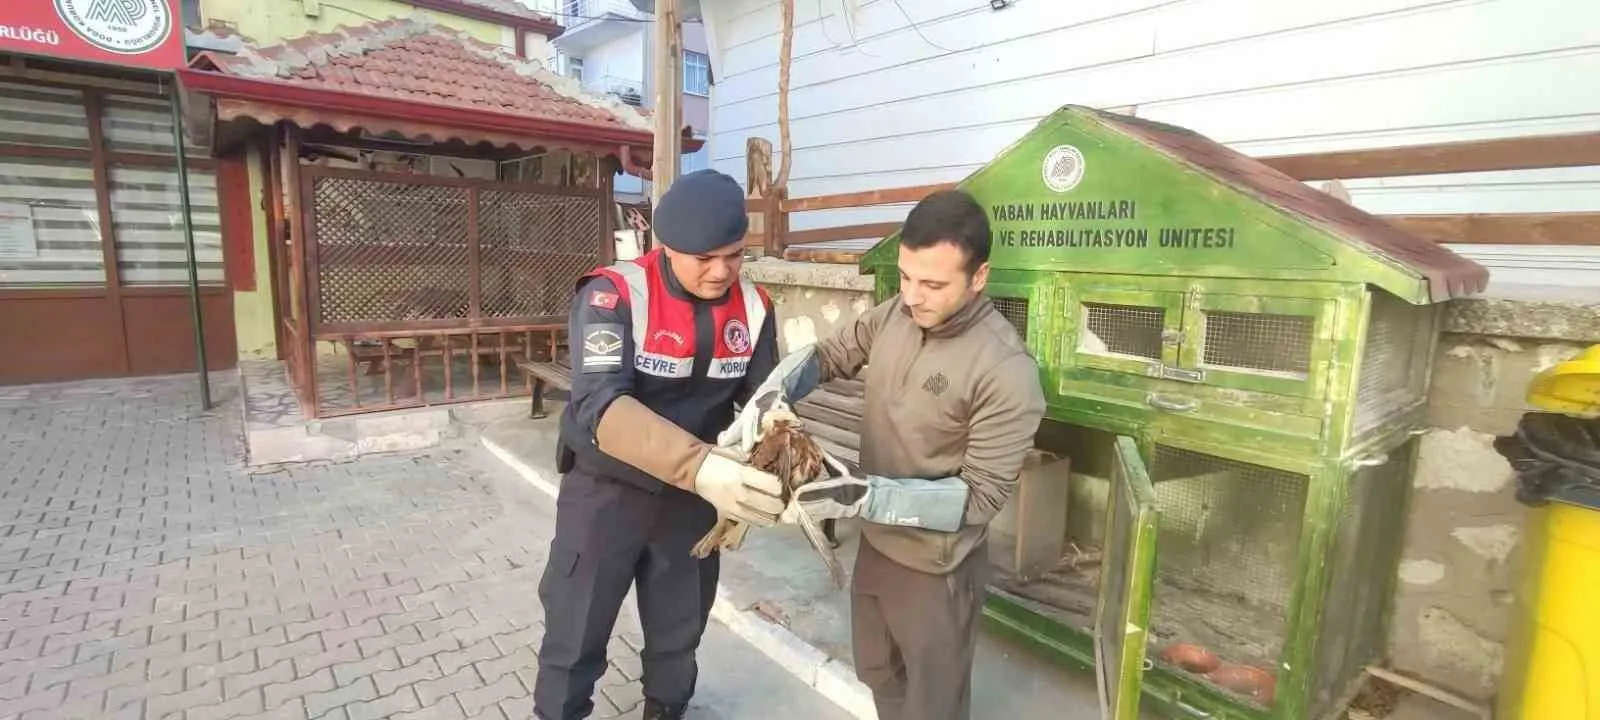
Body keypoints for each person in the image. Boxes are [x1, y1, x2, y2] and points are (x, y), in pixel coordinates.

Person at [728, 189, 1048, 720]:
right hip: (877, 547)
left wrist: (861, 496)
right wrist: (775, 390)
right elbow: (832, 354)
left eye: (933, 284)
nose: (913, 296)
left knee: (933, 705)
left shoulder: (1006, 369)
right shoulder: (897, 314)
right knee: (876, 671)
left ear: (980, 277)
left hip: (936, 567)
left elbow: (981, 497)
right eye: (905, 276)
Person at [534, 169, 788, 720]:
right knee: (575, 632)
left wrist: (772, 459)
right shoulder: (614, 295)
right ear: (666, 246)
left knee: (679, 635)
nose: (722, 271)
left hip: (693, 504)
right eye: (704, 258)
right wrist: (701, 467)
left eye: (735, 255)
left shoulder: (755, 307)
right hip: (607, 493)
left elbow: (764, 401)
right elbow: (601, 406)